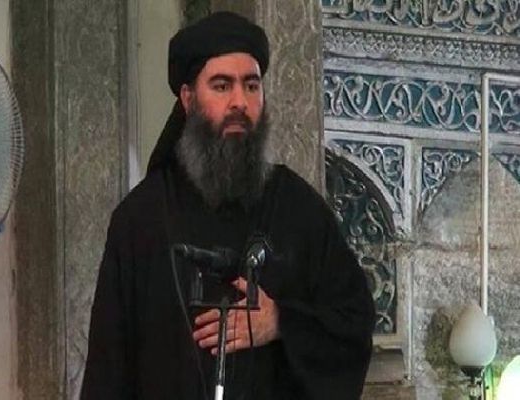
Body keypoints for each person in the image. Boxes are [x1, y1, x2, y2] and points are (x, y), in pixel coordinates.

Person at [81, 11, 375, 400]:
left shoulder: (297, 208)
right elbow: (108, 369)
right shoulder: (142, 218)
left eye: (251, 86)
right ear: (188, 99)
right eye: (222, 86)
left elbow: (354, 323)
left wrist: (282, 322)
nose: (240, 102)